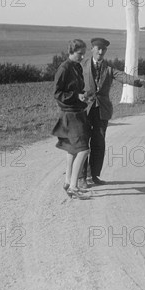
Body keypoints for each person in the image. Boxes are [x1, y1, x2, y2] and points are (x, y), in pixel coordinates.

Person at [79, 37, 145, 187]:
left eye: (103, 49)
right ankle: (81, 177)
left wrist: (140, 82)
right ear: (92, 49)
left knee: (99, 143)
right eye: (98, 48)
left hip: (102, 111)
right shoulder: (81, 65)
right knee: (83, 143)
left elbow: (124, 76)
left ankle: (94, 175)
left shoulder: (109, 68)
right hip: (84, 110)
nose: (101, 51)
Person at [51, 39, 93, 199]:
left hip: (77, 111)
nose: (82, 57)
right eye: (79, 54)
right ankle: (74, 188)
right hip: (70, 114)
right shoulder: (64, 68)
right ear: (71, 52)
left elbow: (77, 89)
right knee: (83, 149)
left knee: (71, 148)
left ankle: (68, 181)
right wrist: (76, 96)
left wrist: (84, 95)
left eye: (83, 54)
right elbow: (57, 93)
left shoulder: (76, 66)